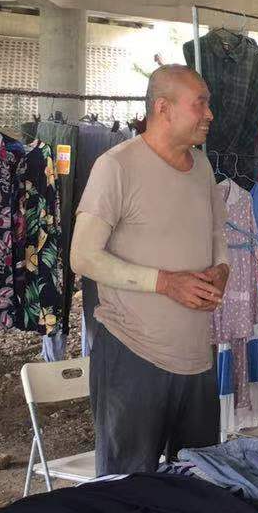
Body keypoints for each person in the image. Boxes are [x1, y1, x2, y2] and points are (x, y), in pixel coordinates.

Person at [70, 64, 229, 474]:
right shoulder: (116, 166)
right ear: (163, 108)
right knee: (127, 489)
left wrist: (222, 268)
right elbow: (83, 256)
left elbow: (217, 233)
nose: (210, 114)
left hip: (197, 358)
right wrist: (164, 283)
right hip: (132, 355)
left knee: (199, 484)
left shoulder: (203, 167)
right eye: (200, 104)